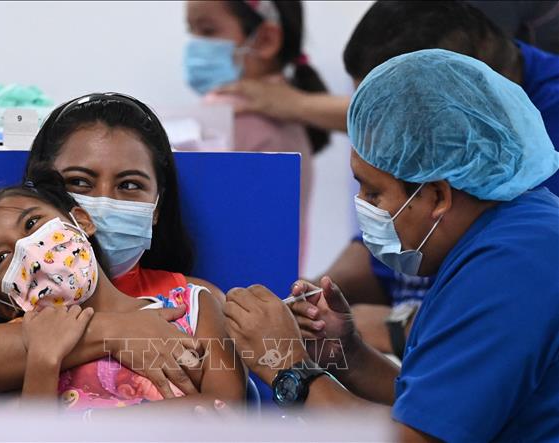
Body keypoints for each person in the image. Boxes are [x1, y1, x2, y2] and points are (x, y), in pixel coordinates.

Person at [223, 49, 559, 441]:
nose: (363, 206)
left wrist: (287, 368)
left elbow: (413, 439)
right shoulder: (509, 233)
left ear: (436, 195)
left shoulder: (509, 268)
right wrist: (348, 355)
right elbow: (437, 408)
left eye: (375, 192)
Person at [217, 0, 559, 356]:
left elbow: (499, 318)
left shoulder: (522, 234)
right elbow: (399, 225)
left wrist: (398, 328)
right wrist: (312, 293)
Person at [0, 93, 226, 400]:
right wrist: (114, 332)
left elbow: (222, 412)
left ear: (157, 207)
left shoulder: (192, 304)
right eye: (79, 182)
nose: (103, 203)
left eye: (129, 185)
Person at [0, 170, 244, 410]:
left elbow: (224, 411)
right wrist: (42, 363)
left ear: (80, 220)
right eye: (2, 257)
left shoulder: (193, 309)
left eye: (32, 223)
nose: (28, 250)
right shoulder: (17, 355)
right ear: (3, 303)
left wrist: (87, 428)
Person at [184, 0, 330, 263]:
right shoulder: (289, 118)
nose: (194, 44)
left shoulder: (234, 117)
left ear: (266, 39)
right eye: (191, 30)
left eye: (207, 31)